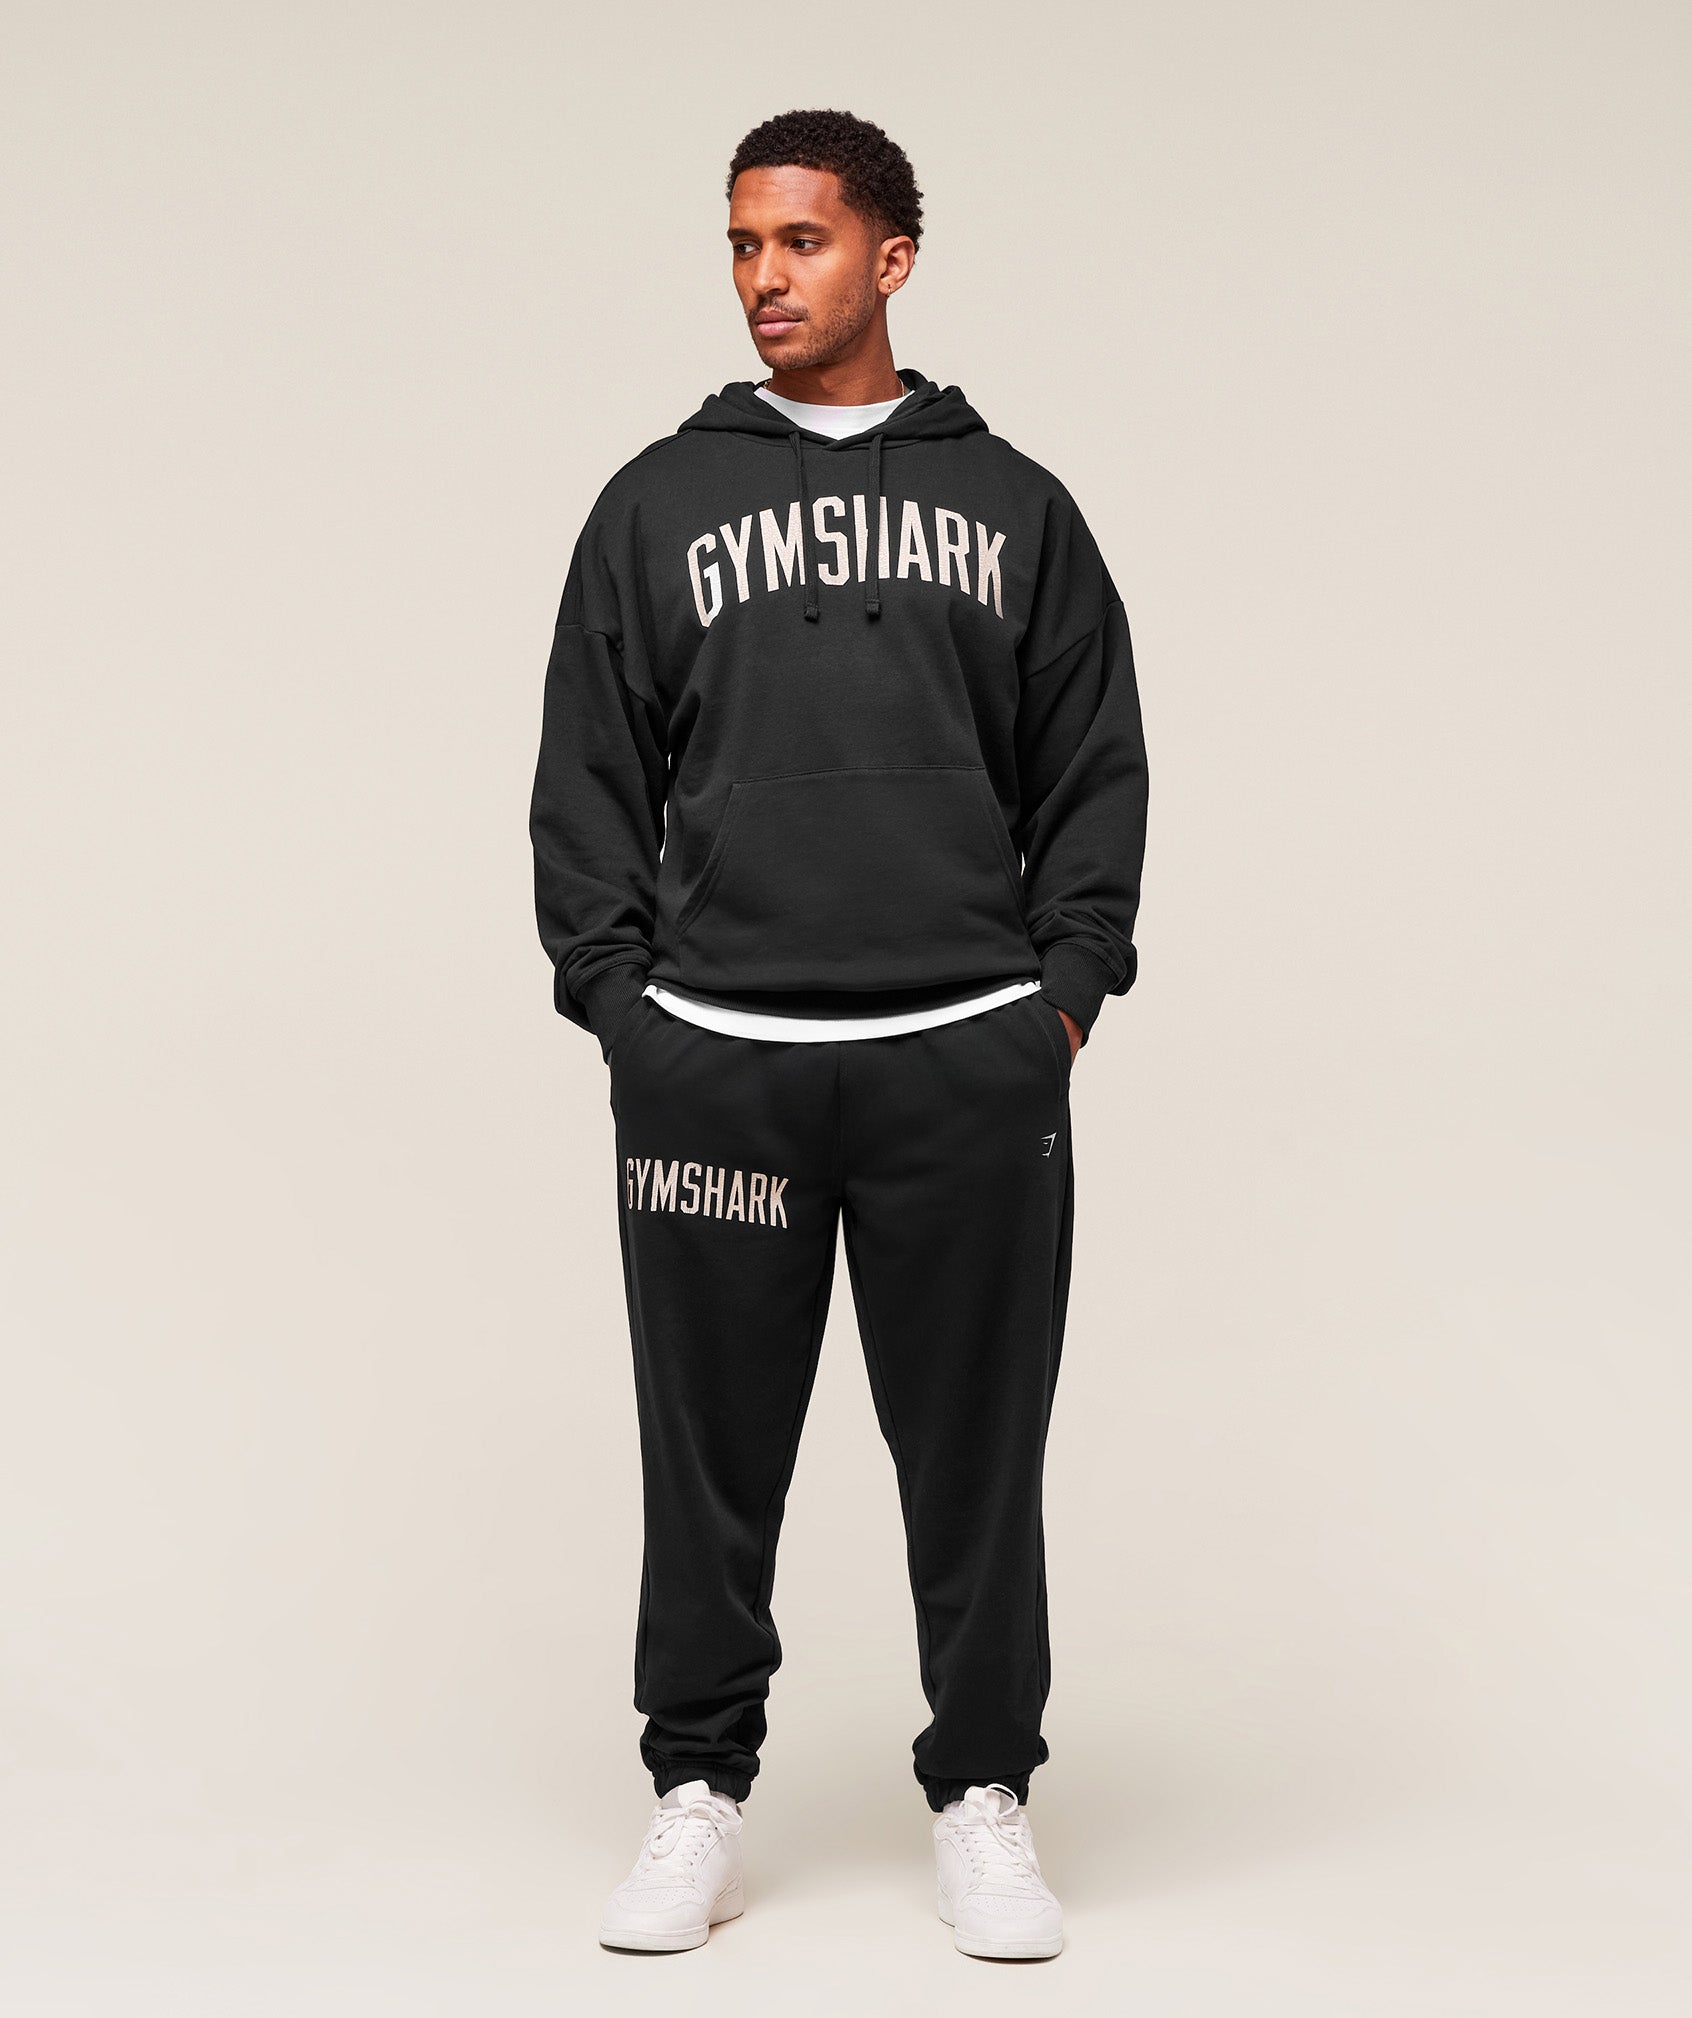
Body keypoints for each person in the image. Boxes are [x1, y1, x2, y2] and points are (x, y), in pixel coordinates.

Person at [528, 107, 1149, 1961]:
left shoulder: (1017, 507)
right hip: (716, 1062)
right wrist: (625, 1009)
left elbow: (1094, 770)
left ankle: (985, 1792)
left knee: (977, 1452)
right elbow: (585, 775)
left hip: (966, 1057)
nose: (762, 276)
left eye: (799, 241)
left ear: (891, 258)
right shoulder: (656, 503)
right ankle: (696, 1790)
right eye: (741, 242)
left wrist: (1059, 999)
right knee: (708, 1451)